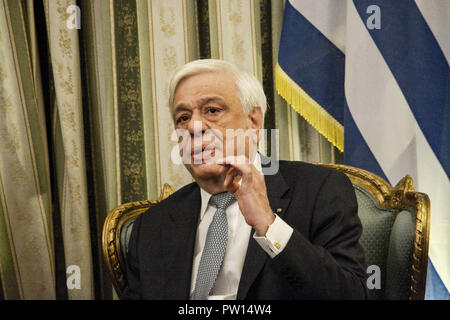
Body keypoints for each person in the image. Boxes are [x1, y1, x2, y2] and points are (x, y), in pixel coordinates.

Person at [123, 59, 368, 300]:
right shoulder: (152, 225)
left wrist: (268, 224)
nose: (194, 126)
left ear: (253, 122)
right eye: (183, 117)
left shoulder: (319, 190)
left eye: (212, 110)